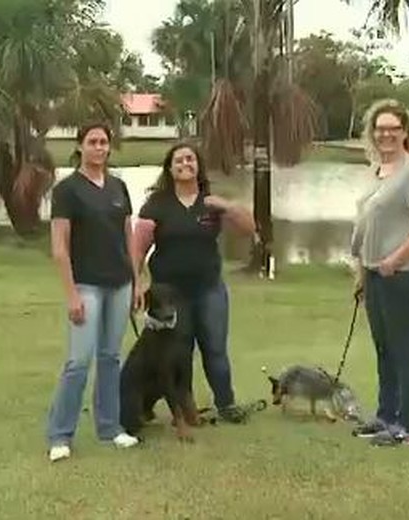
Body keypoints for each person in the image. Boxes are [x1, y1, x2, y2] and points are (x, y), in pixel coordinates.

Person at [131, 143, 256, 424]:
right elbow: (137, 249)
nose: (185, 164)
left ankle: (226, 404)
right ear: (169, 168)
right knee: (179, 352)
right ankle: (184, 410)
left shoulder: (211, 202)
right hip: (169, 294)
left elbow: (249, 229)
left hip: (209, 289)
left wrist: (227, 206)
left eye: (190, 159)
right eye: (178, 160)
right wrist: (136, 282)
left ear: (198, 165)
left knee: (215, 349)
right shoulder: (157, 204)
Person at [45, 123, 141, 462]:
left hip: (120, 284)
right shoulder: (67, 190)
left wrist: (137, 281)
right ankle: (60, 435)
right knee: (78, 362)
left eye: (104, 142)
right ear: (80, 146)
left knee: (110, 358)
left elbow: (128, 237)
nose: (99, 147)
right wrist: (71, 294)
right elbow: (60, 247)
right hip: (86, 285)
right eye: (93, 142)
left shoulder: (118, 187)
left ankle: (110, 427)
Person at [349, 99, 409, 447]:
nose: (386, 134)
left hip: (402, 274)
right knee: (384, 349)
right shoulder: (375, 170)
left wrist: (395, 259)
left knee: (404, 352)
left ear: (405, 133)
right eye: (380, 128)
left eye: (393, 129)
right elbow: (367, 224)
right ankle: (386, 417)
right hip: (373, 273)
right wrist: (362, 273)